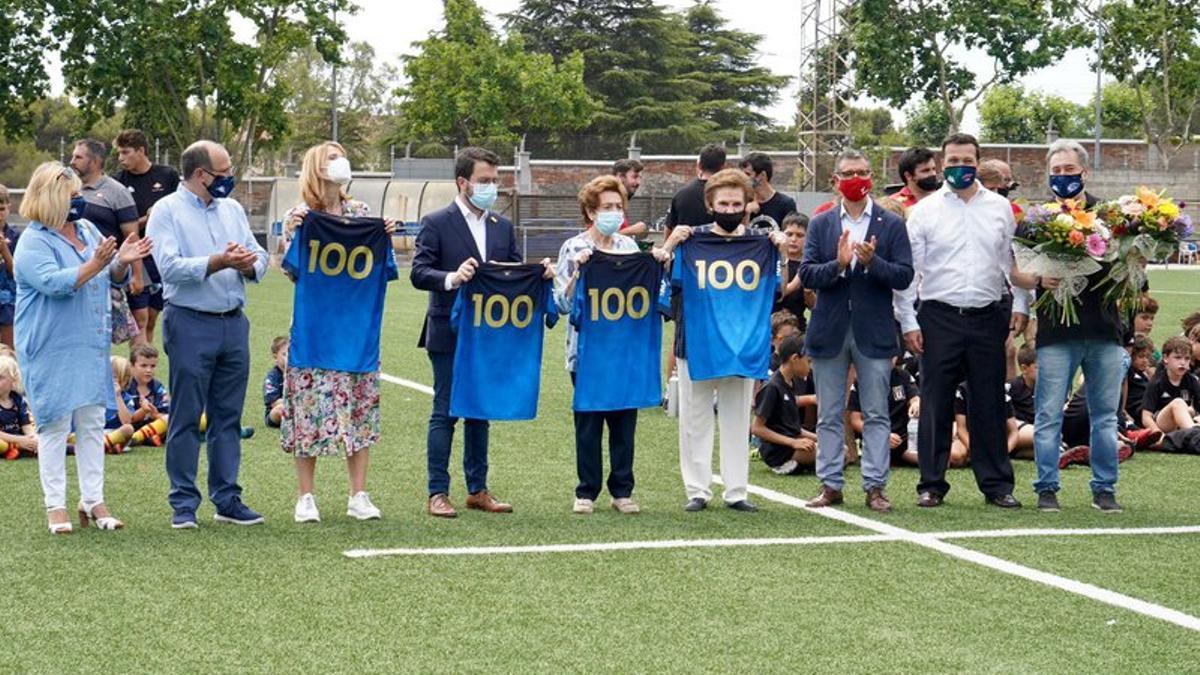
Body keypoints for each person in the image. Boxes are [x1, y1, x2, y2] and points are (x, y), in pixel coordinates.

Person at [895, 133, 1037, 509]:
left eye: (967, 161)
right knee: (936, 402)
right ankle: (931, 484)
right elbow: (911, 271)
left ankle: (997, 485)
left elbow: (1013, 260)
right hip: (938, 315)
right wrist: (908, 320)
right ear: (943, 164)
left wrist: (1021, 303)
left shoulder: (999, 208)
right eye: (953, 161)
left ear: (978, 162)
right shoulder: (924, 211)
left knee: (989, 401)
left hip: (990, 315)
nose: (960, 167)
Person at [15, 161, 153, 533]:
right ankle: (55, 506)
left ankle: (93, 500)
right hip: (50, 346)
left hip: (90, 343)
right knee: (54, 423)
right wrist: (96, 263)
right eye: (72, 196)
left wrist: (121, 263)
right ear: (50, 198)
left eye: (79, 194)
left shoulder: (89, 229)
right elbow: (55, 283)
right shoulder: (32, 240)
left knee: (92, 421)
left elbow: (111, 276)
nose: (80, 202)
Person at [411, 147, 549, 518]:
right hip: (448, 330)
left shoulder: (501, 226)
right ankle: (437, 491)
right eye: (484, 181)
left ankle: (478, 489)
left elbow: (514, 272)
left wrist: (540, 274)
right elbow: (419, 272)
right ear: (463, 182)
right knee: (445, 410)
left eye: (494, 180)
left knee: (479, 411)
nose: (492, 187)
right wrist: (453, 278)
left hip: (490, 333)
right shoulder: (436, 222)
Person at [147, 140, 267, 529]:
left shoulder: (231, 209)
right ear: (201, 175)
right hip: (189, 321)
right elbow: (168, 267)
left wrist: (249, 264)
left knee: (227, 417)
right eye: (225, 172)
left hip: (233, 321)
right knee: (185, 416)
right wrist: (218, 261)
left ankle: (227, 498)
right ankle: (183, 503)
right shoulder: (166, 211)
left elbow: (260, 257)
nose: (230, 178)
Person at [279, 141, 394, 524]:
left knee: (359, 410)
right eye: (331, 157)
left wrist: (384, 234)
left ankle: (358, 494)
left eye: (342, 155)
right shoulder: (299, 215)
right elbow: (290, 269)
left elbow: (382, 265)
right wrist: (293, 234)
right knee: (307, 411)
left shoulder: (361, 212)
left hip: (356, 328)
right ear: (316, 166)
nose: (340, 161)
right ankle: (305, 496)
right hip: (314, 328)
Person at [662, 168, 788, 512]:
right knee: (694, 419)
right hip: (697, 341)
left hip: (742, 344)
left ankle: (736, 491)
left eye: (736, 202)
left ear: (749, 204)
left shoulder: (762, 244)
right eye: (723, 202)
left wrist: (783, 253)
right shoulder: (691, 241)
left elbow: (779, 289)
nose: (730, 209)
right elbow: (664, 278)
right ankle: (697, 490)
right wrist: (671, 244)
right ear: (710, 203)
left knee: (736, 418)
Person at [800, 148, 914, 512]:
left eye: (863, 172)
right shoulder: (821, 224)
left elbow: (904, 275)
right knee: (829, 412)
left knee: (877, 412)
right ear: (835, 181)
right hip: (830, 330)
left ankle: (875, 487)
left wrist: (872, 262)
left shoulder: (891, 224)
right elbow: (806, 274)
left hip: (874, 330)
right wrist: (839, 263)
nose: (857, 179)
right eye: (849, 173)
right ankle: (830, 484)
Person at [553, 175, 668, 515]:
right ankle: (586, 490)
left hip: (623, 351)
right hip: (586, 353)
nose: (614, 213)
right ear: (590, 211)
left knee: (623, 421)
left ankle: (622, 489)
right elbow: (560, 303)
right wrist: (578, 272)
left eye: (619, 207)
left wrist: (660, 263)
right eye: (607, 207)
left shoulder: (630, 248)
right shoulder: (573, 248)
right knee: (588, 421)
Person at [1030, 139, 1128, 513]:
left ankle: (1104, 489)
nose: (1063, 177)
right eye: (1056, 171)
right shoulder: (1039, 219)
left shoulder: (1112, 216)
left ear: (1084, 172)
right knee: (1048, 414)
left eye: (1069, 170)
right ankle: (1046, 488)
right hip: (1057, 332)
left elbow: (1129, 269)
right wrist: (1040, 279)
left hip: (1104, 330)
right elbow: (1018, 271)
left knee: (1105, 417)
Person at [70, 138, 144, 345]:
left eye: (78, 157)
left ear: (94, 161)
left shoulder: (117, 191)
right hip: (78, 273)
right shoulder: (69, 189)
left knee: (134, 328)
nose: (72, 161)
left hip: (111, 274)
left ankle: (136, 376)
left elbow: (132, 236)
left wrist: (137, 275)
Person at [114, 129, 181, 344]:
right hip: (136, 256)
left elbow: (180, 211)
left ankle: (144, 367)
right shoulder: (118, 182)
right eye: (119, 153)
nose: (121, 158)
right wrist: (147, 219)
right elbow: (123, 225)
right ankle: (138, 375)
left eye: (125, 152)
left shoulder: (168, 176)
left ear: (141, 151)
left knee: (151, 318)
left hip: (162, 255)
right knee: (139, 318)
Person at [752, 335, 818, 475]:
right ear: (795, 359)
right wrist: (792, 442)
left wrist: (820, 438)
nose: (810, 367)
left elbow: (794, 429)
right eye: (808, 361)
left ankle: (800, 465)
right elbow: (757, 428)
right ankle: (783, 464)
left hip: (792, 443)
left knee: (842, 451)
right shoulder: (772, 387)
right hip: (779, 450)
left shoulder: (792, 383)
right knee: (834, 456)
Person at [849, 357, 920, 467]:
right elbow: (856, 421)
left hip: (903, 438)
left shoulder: (903, 375)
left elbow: (914, 397)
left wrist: (916, 404)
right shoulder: (862, 380)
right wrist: (882, 436)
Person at [1141, 336, 1200, 434]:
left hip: (1184, 422)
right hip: (1163, 423)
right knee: (1178, 403)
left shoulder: (1192, 380)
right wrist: (1158, 433)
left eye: (1187, 358)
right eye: (1178, 357)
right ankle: (1194, 436)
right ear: (1165, 358)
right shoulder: (1157, 382)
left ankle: (1192, 432)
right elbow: (1146, 417)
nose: (1183, 362)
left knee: (1190, 410)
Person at [666, 144, 726, 232]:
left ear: (699, 165)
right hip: (721, 245)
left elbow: (669, 227)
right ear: (723, 167)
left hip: (688, 244)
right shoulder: (731, 196)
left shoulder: (681, 195)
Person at [773, 213, 815, 333]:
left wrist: (808, 293)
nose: (793, 239)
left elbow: (814, 307)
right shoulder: (772, 260)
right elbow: (777, 295)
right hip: (769, 328)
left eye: (800, 235)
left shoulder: (810, 265)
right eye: (789, 234)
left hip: (796, 330)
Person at [123, 343, 170, 442]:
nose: (148, 370)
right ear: (132, 366)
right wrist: (143, 411)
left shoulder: (158, 387)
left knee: (170, 421)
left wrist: (156, 415)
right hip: (130, 427)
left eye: (152, 366)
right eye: (143, 366)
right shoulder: (125, 387)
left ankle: (150, 437)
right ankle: (141, 439)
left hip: (152, 425)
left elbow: (166, 413)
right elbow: (126, 420)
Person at [740, 152, 797, 226]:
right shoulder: (742, 202)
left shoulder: (785, 204)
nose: (742, 178)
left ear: (762, 175)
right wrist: (746, 214)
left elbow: (792, 232)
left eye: (748, 174)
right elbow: (738, 234)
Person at [0, 355, 37, 461]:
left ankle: (69, 446)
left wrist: (32, 437)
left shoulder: (17, 399)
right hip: (6, 440)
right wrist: (19, 440)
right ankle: (13, 448)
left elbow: (26, 425)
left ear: (13, 379)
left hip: (18, 438)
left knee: (38, 438)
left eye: (0, 377)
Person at [0, 185, 18, 349]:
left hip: (8, 301)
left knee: (8, 352)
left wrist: (5, 251)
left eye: (1, 209)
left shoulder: (15, 236)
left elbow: (17, 273)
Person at [611, 159, 648, 236]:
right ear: (620, 176)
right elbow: (599, 239)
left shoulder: (621, 200)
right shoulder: (606, 201)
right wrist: (632, 230)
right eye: (634, 177)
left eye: (640, 178)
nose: (638, 182)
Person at [264, 336, 287, 429]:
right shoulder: (272, 377)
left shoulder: (298, 374)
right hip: (275, 413)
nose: (289, 357)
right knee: (280, 409)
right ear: (275, 357)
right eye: (285, 354)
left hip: (296, 408)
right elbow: (273, 402)